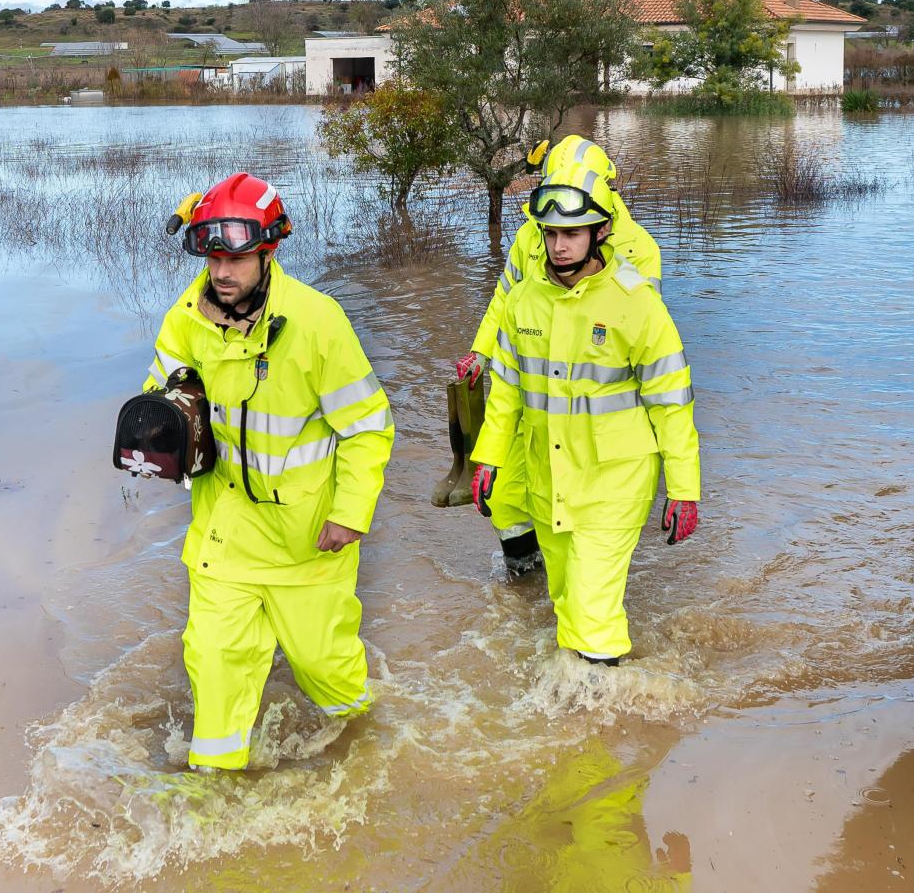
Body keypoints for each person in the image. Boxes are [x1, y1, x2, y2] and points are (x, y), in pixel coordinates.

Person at [143, 172, 394, 769]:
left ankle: (372, 756)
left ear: (268, 250)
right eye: (212, 257)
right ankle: (212, 791)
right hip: (222, 535)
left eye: (236, 258)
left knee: (326, 669)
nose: (222, 272)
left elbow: (366, 427)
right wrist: (154, 431)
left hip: (307, 542)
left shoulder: (317, 322)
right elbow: (159, 393)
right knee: (215, 661)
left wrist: (350, 514)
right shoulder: (187, 315)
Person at [469, 159, 700, 665]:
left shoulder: (636, 303)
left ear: (601, 231)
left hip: (614, 481)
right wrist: (488, 459)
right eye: (551, 234)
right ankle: (583, 718)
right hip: (546, 477)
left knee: (592, 614)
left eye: (572, 233)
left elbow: (672, 404)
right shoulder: (523, 301)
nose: (559, 245)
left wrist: (684, 490)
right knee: (565, 600)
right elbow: (506, 392)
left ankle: (597, 728)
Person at [454, 135, 663, 579]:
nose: (558, 237)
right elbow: (506, 297)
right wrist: (481, 351)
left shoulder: (638, 250)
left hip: (584, 409)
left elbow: (645, 341)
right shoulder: (533, 232)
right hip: (531, 390)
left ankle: (577, 585)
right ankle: (525, 579)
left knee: (580, 517)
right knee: (504, 496)